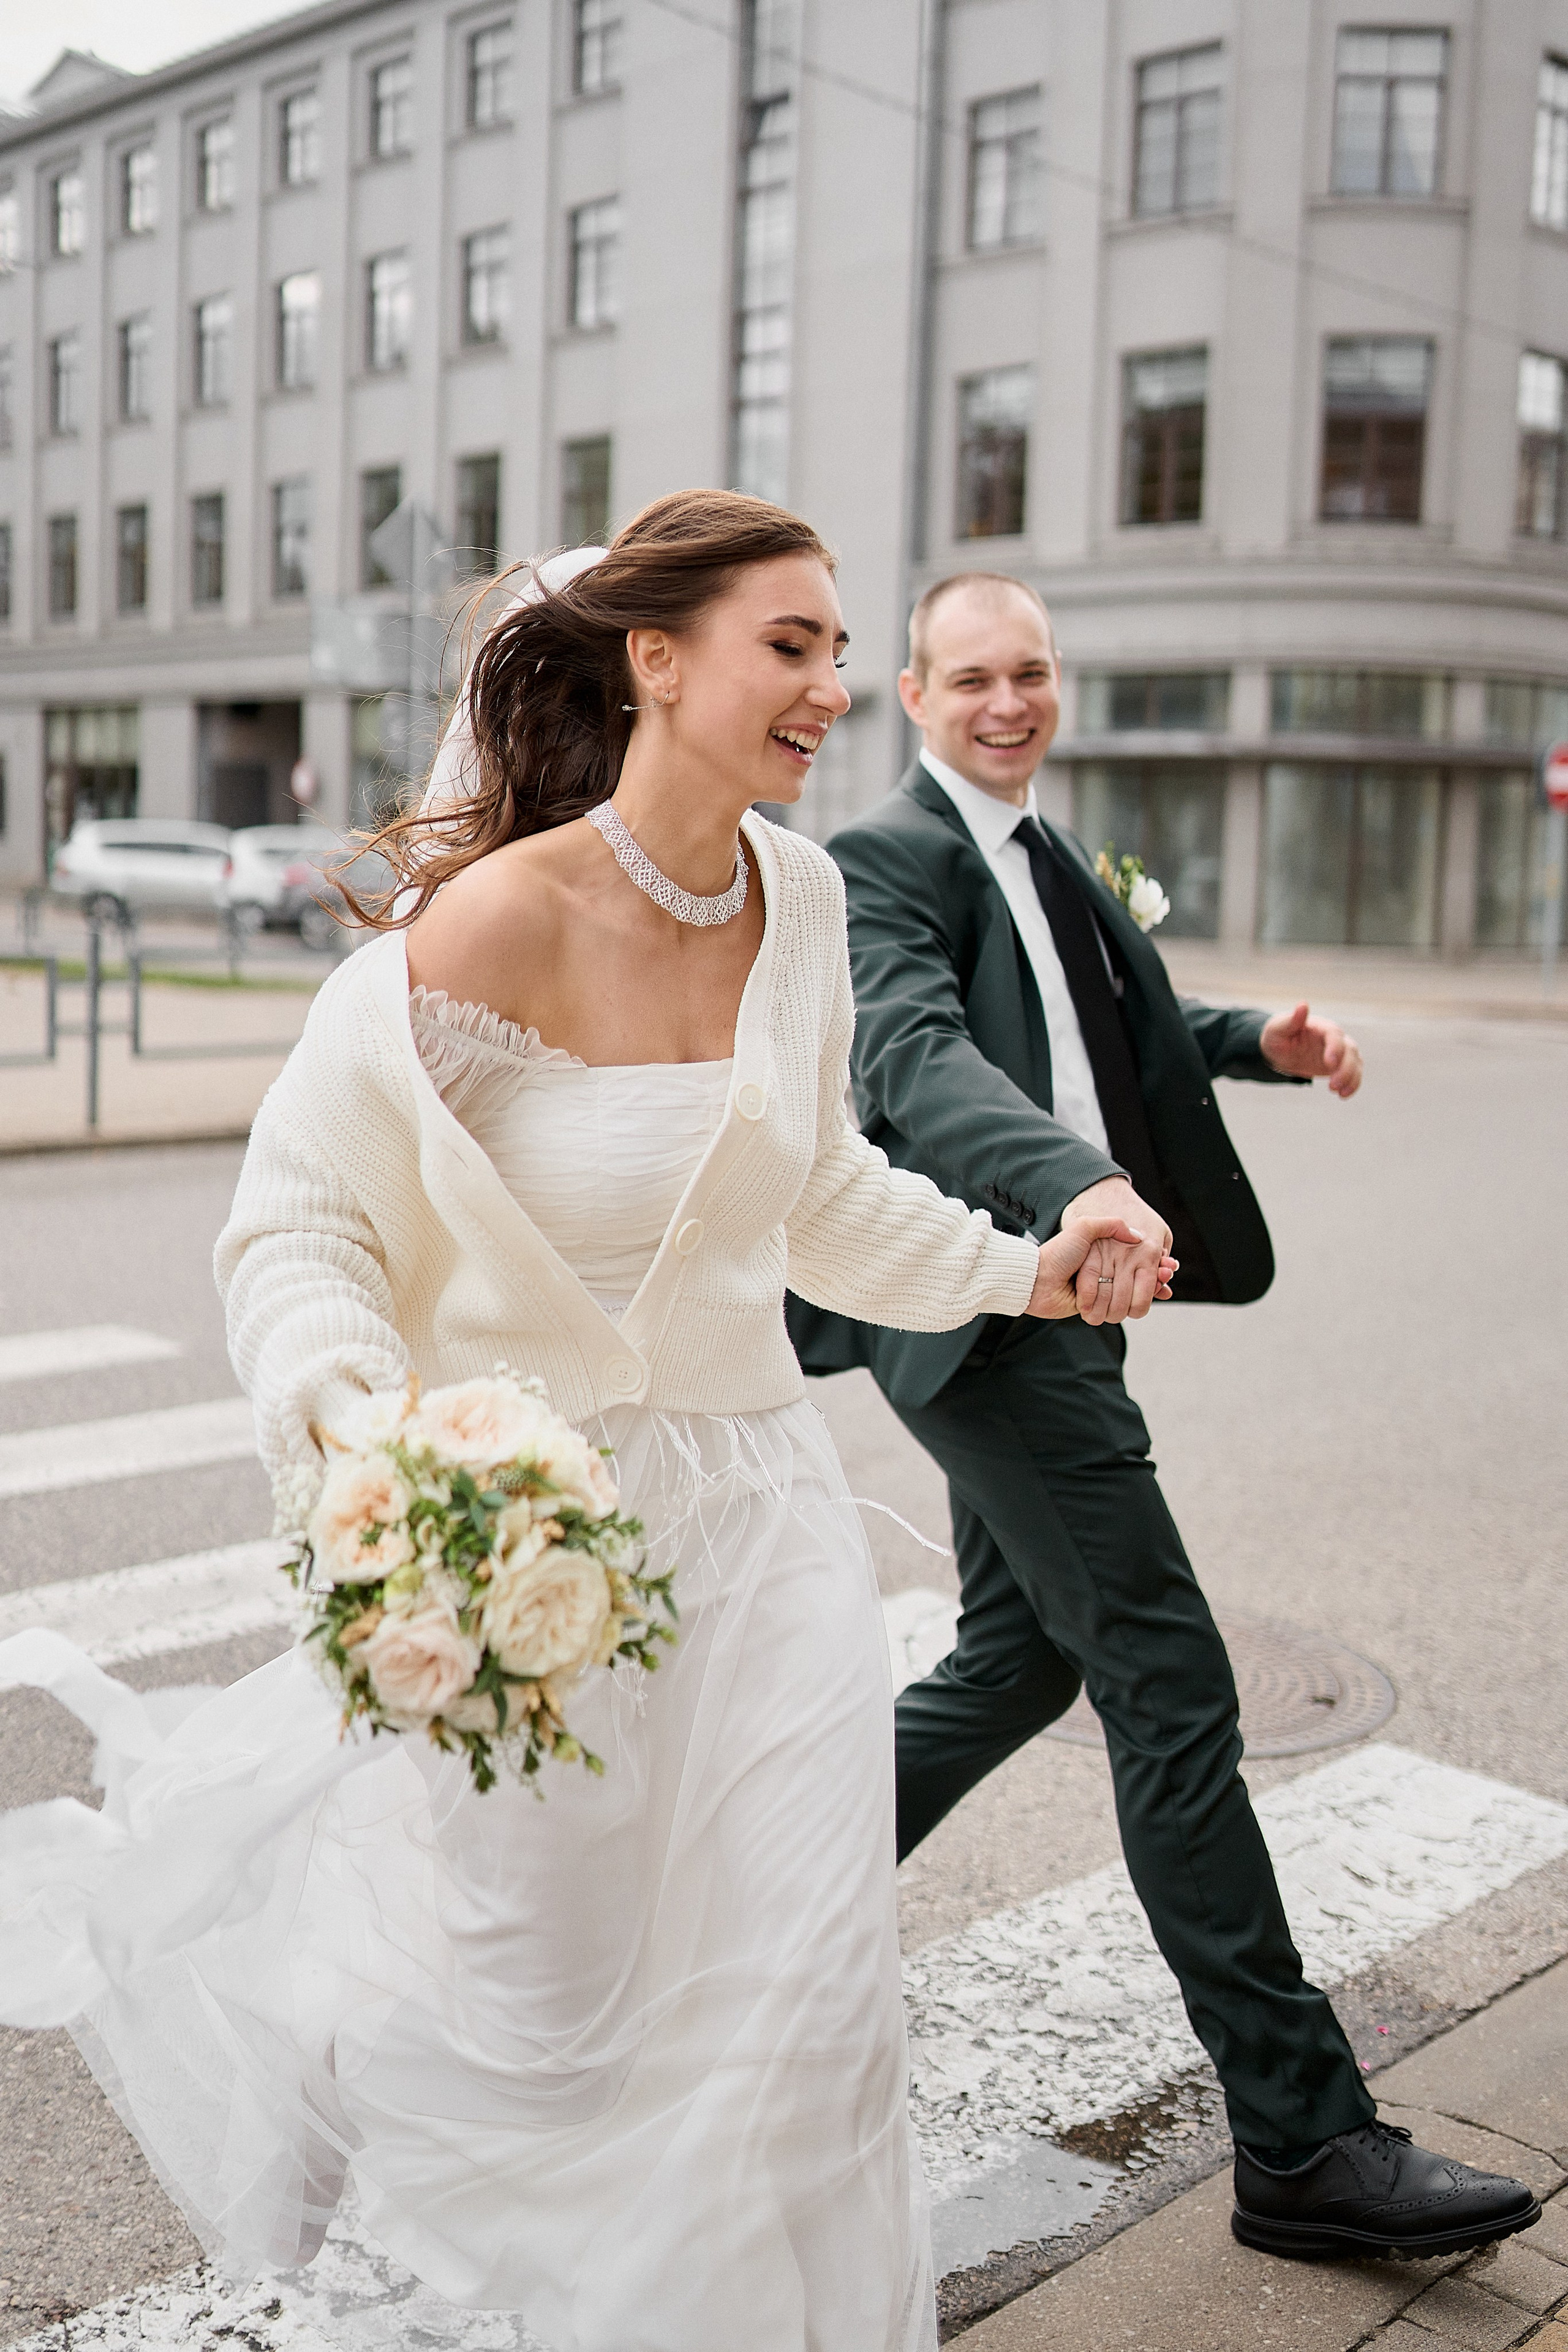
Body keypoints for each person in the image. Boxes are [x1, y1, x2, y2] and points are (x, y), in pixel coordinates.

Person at [0, 497, 1165, 2352]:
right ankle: (347, 2034)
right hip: (538, 1554)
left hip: (766, 1529)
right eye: (791, 644)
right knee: (543, 2031)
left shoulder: (804, 903)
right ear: (655, 659)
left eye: (837, 648)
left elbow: (820, 1194)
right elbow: (301, 1219)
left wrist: (1035, 1262)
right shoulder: (491, 929)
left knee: (797, 2021)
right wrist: (364, 1430)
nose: (833, 688)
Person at [786, 568, 1541, 2264]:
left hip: (1072, 1298)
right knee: (1171, 1680)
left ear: (1058, 686)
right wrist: (1086, 1191)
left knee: (1016, 1659)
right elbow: (915, 1060)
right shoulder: (885, 866)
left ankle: (773, 1895)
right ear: (912, 695)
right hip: (1001, 1313)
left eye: (1031, 673)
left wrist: (1253, 1037)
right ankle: (1302, 2137)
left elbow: (1085, 1034)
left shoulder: (1047, 855)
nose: (1006, 701)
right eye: (970, 676)